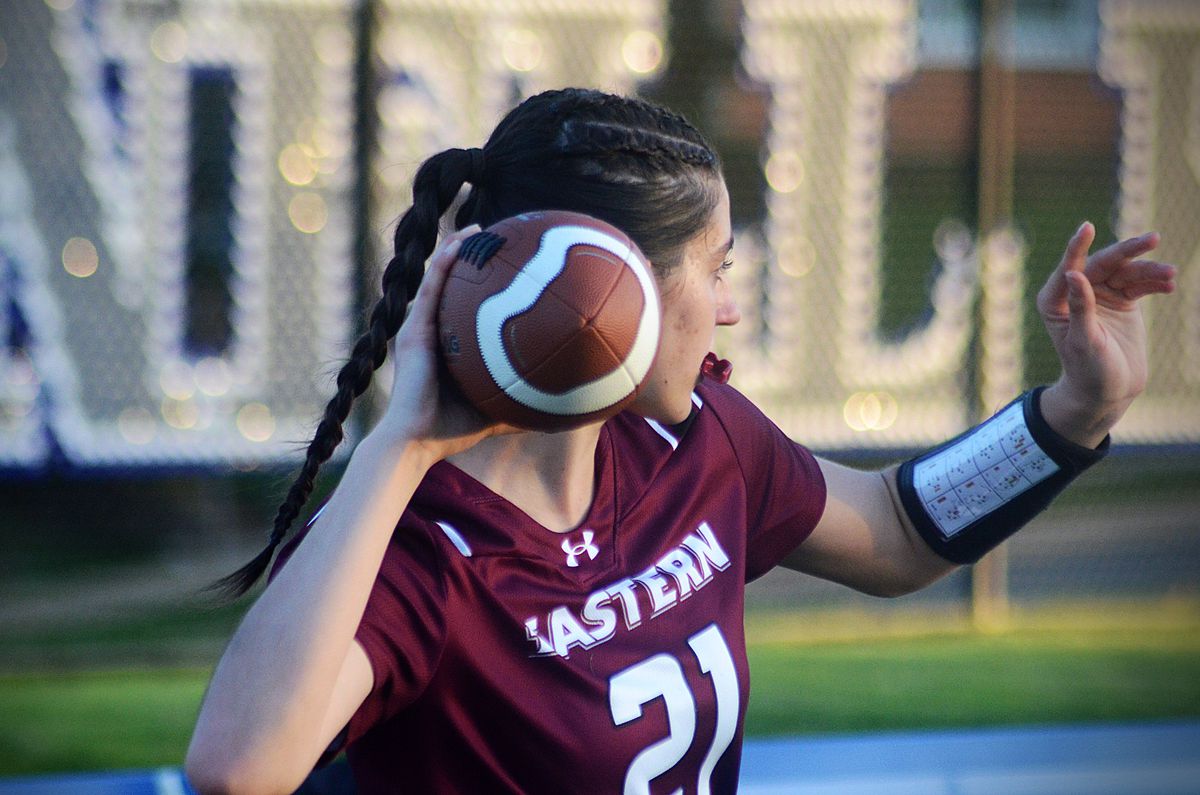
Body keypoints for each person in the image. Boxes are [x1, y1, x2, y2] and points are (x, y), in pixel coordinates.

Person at [185, 87, 1176, 794]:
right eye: (716, 269)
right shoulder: (425, 548)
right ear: (605, 295)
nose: (731, 309)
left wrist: (1074, 411)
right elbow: (238, 769)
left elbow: (895, 530)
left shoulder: (694, 441)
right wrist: (397, 450)